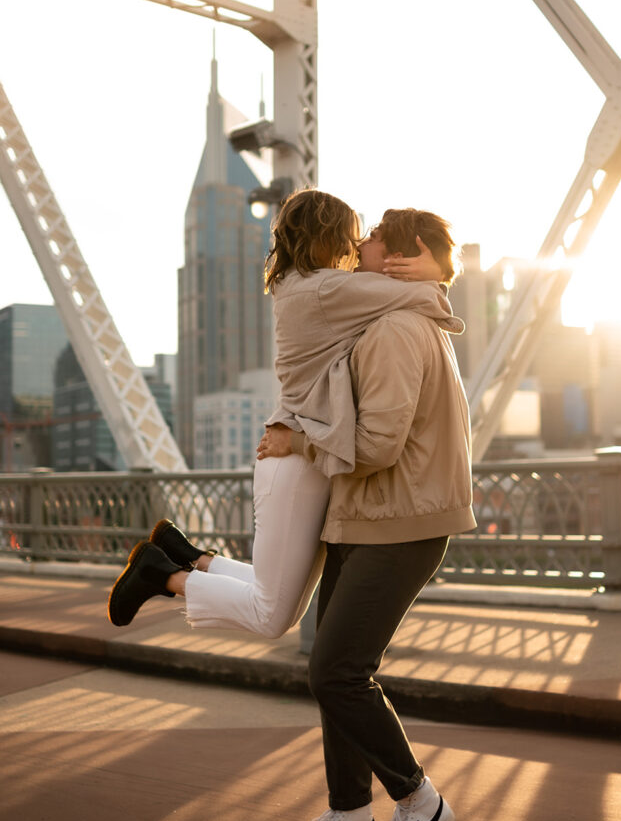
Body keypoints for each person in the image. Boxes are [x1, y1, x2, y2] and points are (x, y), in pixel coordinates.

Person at [107, 191, 464, 637]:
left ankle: (189, 557)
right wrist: (437, 274)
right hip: (297, 455)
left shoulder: (305, 285)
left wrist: (432, 275)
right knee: (271, 614)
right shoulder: (326, 289)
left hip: (309, 453)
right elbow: (426, 300)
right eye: (353, 237)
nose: (356, 248)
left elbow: (402, 298)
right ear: (329, 237)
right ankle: (160, 574)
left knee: (280, 602)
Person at [258, 208, 477, 821]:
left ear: (401, 254)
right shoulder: (383, 317)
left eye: (374, 237)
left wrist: (298, 439)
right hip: (363, 516)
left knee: (336, 672)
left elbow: (379, 443)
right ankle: (349, 816)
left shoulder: (394, 329)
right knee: (338, 669)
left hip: (398, 521)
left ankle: (419, 802)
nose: (360, 244)